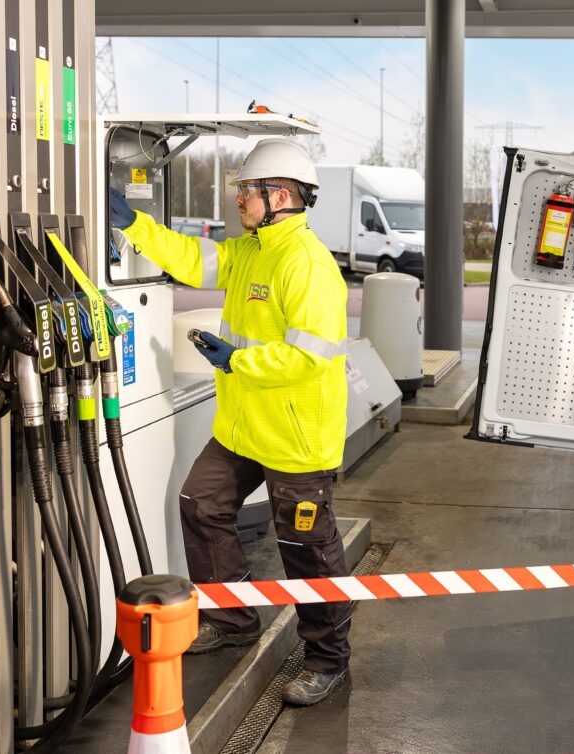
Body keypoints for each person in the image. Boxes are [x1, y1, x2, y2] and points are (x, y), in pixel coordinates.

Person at [109, 138, 351, 706]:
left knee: (306, 548)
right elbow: (195, 260)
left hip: (294, 436)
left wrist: (235, 359)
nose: (239, 198)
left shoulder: (307, 263)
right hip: (243, 427)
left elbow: (308, 356)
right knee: (201, 504)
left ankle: (327, 658)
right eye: (241, 189)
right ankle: (234, 620)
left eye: (248, 189)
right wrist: (135, 225)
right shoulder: (251, 250)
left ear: (281, 196)